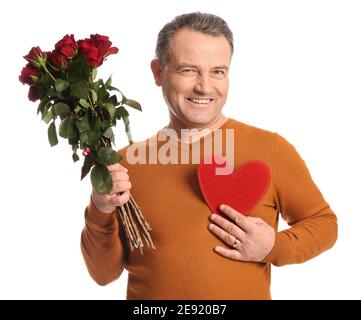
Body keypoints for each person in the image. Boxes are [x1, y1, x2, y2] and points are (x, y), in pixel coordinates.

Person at [81, 12, 338, 300]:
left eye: (218, 71)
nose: (204, 86)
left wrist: (274, 246)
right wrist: (100, 208)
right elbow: (103, 274)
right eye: (188, 70)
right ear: (158, 72)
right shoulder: (125, 164)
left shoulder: (271, 149)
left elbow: (324, 223)